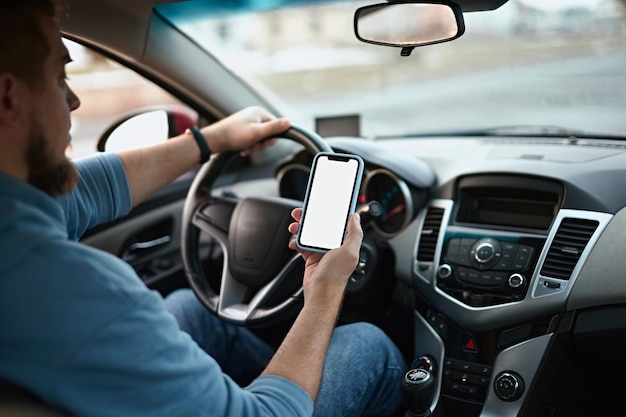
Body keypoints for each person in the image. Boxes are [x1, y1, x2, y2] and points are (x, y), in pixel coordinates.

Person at [0, 1, 407, 417]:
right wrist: (324, 289)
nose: (73, 101)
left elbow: (87, 189)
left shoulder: (13, 219)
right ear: (8, 97)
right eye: (58, 77)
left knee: (194, 310)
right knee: (369, 346)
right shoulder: (75, 289)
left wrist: (210, 140)